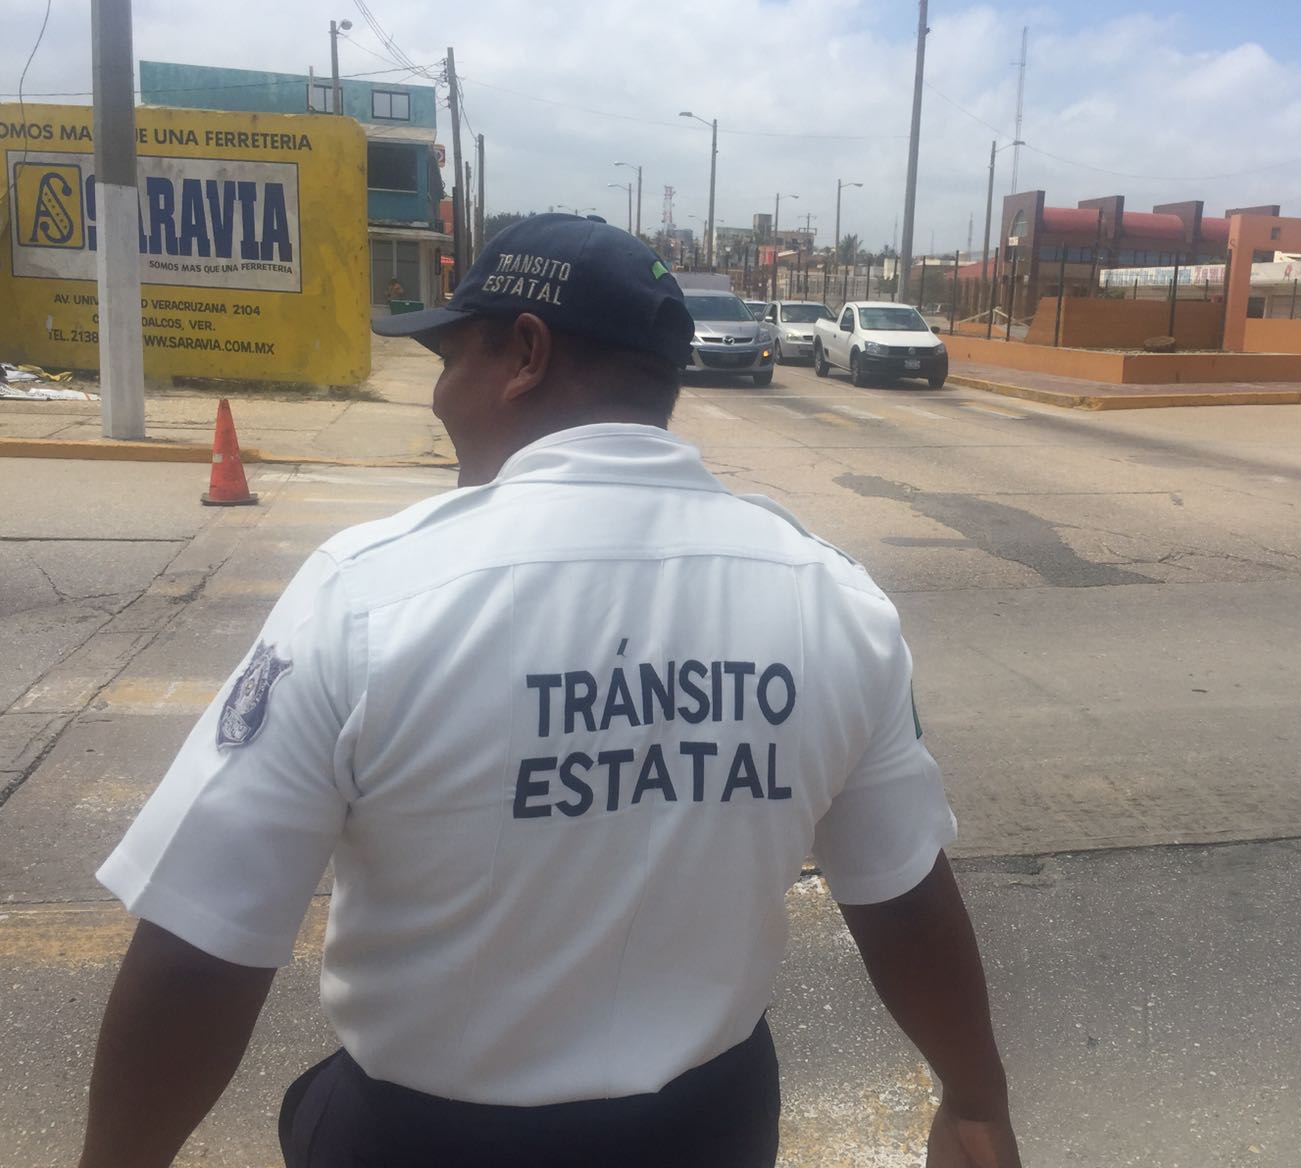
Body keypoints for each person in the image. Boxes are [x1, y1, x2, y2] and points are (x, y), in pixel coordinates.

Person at [78, 214, 1020, 1168]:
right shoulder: (828, 598)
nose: (441, 396)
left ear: (524, 353)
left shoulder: (371, 594)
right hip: (714, 1130)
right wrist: (976, 1100)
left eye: (451, 359)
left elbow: (200, 945)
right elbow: (901, 889)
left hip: (425, 1142)